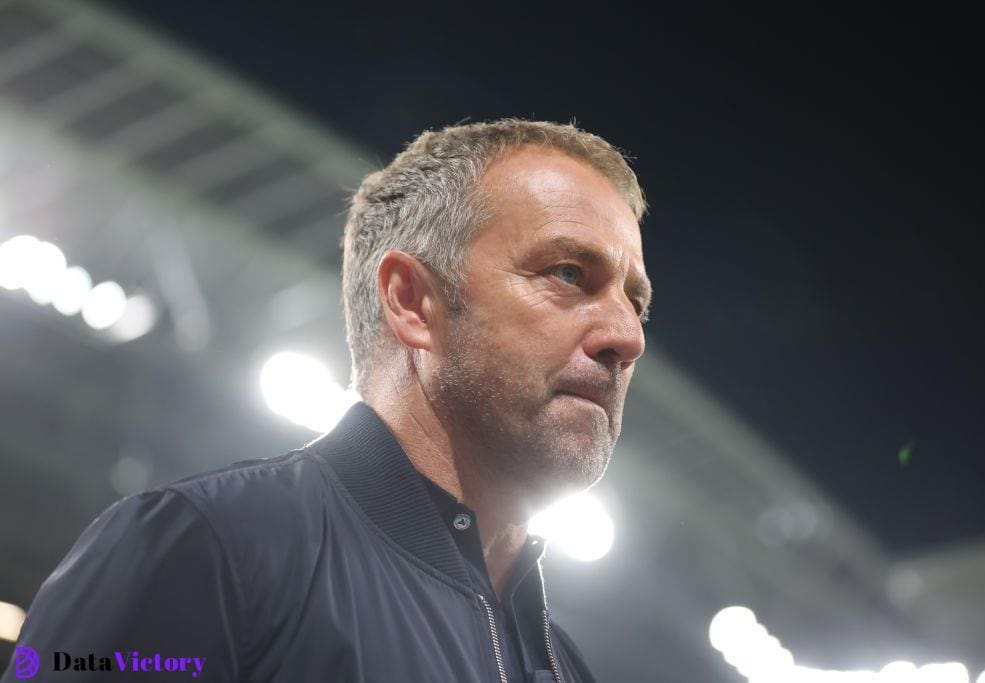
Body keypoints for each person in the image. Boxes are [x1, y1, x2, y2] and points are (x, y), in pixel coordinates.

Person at [3, 119, 651, 682]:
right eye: (568, 273)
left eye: (636, 300)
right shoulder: (206, 548)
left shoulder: (566, 664)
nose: (627, 336)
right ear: (411, 302)